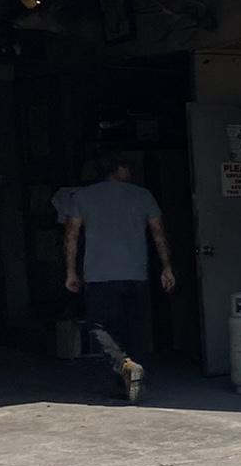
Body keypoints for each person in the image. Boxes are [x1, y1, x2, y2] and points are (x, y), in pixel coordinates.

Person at [64, 155, 176, 402]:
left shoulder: (81, 197)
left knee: (99, 327)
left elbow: (71, 235)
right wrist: (166, 267)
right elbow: (158, 233)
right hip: (136, 274)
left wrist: (71, 271)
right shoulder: (143, 195)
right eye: (127, 167)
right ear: (117, 169)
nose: (130, 171)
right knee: (133, 330)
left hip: (99, 276)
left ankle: (124, 367)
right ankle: (128, 382)